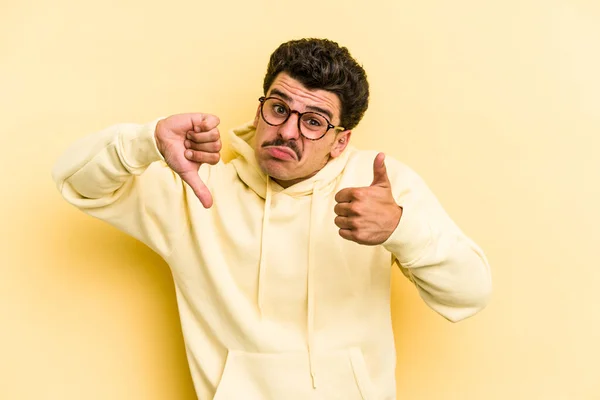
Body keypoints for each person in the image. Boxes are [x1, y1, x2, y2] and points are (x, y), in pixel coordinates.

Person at [52, 38, 492, 400]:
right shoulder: (198, 189)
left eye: (314, 121)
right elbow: (75, 181)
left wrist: (401, 229)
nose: (287, 131)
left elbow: (469, 293)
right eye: (279, 108)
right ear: (262, 106)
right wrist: (144, 141)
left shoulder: (380, 186)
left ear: (340, 141)